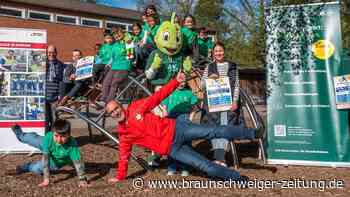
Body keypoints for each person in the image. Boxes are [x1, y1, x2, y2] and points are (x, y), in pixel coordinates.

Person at [105, 71, 262, 183]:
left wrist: (175, 82)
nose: (115, 112)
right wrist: (119, 176)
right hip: (173, 150)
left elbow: (158, 97)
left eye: (116, 108)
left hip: (178, 129)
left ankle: (253, 133)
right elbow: (123, 157)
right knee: (205, 166)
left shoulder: (136, 108)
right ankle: (237, 178)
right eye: (111, 112)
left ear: (121, 106)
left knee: (214, 131)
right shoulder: (124, 135)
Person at [7, 119, 89, 187]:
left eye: (63, 137)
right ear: (53, 133)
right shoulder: (49, 137)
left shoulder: (72, 145)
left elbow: (78, 162)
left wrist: (82, 179)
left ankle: (25, 167)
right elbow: (46, 159)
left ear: (69, 135)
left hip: (57, 161)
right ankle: (19, 133)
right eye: (56, 136)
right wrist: (46, 178)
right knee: (30, 138)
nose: (59, 140)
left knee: (36, 169)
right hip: (47, 143)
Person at [202, 42, 240, 166]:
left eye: (221, 50)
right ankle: (217, 157)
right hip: (213, 103)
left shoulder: (232, 66)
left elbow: (237, 85)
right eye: (216, 51)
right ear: (213, 53)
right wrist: (209, 79)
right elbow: (202, 85)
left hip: (227, 103)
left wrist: (235, 100)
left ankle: (221, 158)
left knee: (224, 127)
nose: (218, 53)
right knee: (214, 128)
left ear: (224, 52)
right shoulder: (209, 66)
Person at [100, 27, 131, 104]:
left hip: (124, 67)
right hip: (114, 66)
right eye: (114, 34)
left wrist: (127, 44)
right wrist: (109, 63)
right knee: (106, 82)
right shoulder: (115, 45)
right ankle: (103, 100)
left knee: (114, 83)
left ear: (122, 33)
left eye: (118, 33)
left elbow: (131, 56)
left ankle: (109, 102)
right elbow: (112, 57)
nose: (116, 35)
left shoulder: (128, 42)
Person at [45, 45, 64, 132]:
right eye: (49, 52)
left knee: (54, 121)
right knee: (45, 121)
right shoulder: (43, 63)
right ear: (46, 53)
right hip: (43, 97)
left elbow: (61, 80)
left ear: (56, 53)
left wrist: (60, 95)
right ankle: (47, 139)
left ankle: (54, 140)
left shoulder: (60, 64)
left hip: (54, 97)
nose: (51, 54)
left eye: (53, 52)